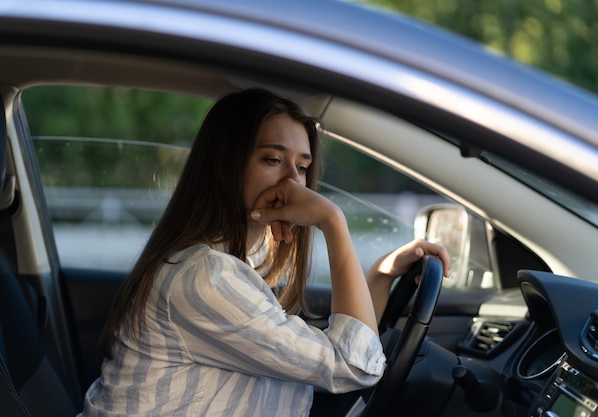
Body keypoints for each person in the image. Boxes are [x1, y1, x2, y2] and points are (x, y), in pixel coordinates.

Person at [81, 88, 451, 416]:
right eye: (273, 160)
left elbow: (318, 351)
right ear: (227, 165)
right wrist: (333, 221)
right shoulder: (205, 277)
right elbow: (354, 365)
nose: (293, 180)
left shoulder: (233, 259)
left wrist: (381, 274)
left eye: (302, 167)